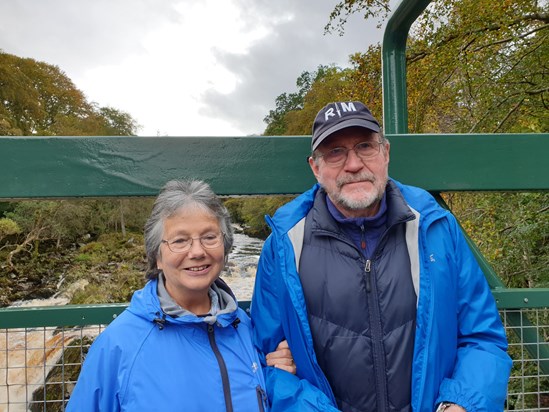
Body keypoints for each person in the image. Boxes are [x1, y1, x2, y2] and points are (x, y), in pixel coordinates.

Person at [251, 101, 512, 411]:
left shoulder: (435, 227)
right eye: (335, 152)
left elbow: (482, 336)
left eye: (365, 146)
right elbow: (264, 362)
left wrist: (462, 402)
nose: (353, 164)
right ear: (316, 168)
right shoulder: (284, 245)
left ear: (385, 153)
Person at [67, 179, 294, 412]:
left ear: (225, 247)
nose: (197, 252)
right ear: (157, 256)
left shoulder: (245, 328)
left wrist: (275, 375)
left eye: (209, 237)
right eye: (180, 240)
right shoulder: (118, 346)